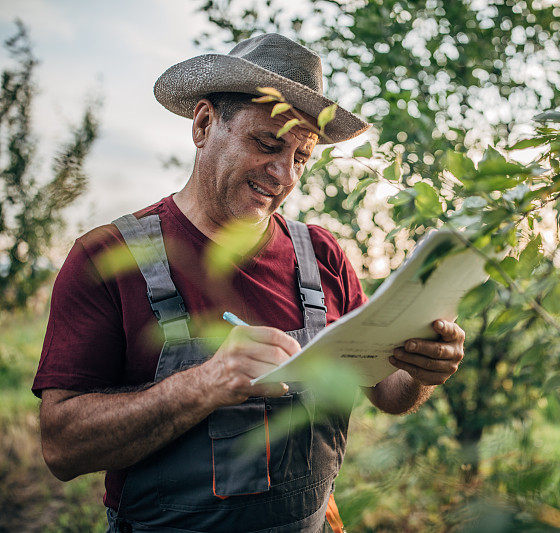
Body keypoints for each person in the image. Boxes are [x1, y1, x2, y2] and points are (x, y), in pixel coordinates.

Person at [32, 34, 465, 532]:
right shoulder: (108, 257)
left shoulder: (323, 255)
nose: (284, 175)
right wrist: (204, 384)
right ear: (203, 125)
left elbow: (390, 393)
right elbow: (61, 448)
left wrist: (423, 367)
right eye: (267, 144)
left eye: (302, 157)